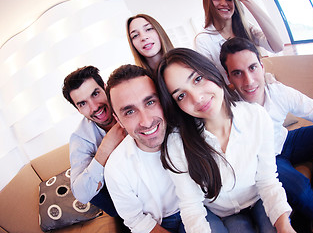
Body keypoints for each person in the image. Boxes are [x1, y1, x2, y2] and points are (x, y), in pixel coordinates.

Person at [156, 48, 294, 233]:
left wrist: (285, 226)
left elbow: (268, 180)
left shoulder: (256, 117)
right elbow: (191, 206)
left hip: (258, 198)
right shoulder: (177, 144)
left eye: (197, 79)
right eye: (181, 95)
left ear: (211, 71)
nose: (197, 98)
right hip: (223, 213)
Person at [220, 37, 313, 231]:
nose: (249, 81)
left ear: (263, 67)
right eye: (237, 73)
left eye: (253, 68)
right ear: (228, 77)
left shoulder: (278, 92)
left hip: (286, 140)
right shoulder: (226, 107)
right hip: (266, 159)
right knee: (299, 188)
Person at [103, 64, 185, 233]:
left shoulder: (186, 134)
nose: (146, 122)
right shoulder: (115, 169)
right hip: (157, 224)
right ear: (118, 120)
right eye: (129, 112)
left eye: (150, 102)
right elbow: (137, 220)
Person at [62, 66, 126, 217]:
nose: (94, 107)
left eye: (95, 94)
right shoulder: (80, 137)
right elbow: (82, 195)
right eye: (82, 103)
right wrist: (106, 148)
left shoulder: (128, 102)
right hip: (124, 201)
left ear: (105, 88)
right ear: (78, 110)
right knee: (90, 183)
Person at [195, 0, 284, 84]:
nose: (224, 3)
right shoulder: (203, 40)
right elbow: (212, 82)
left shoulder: (247, 28)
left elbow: (277, 47)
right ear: (208, 3)